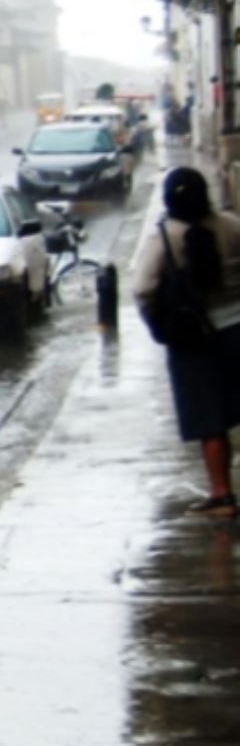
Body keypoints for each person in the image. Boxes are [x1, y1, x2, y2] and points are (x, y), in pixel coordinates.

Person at [132, 167, 240, 517]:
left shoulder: (164, 237)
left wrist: (159, 326)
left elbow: (142, 289)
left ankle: (221, 494)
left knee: (210, 419)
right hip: (236, 330)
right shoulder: (230, 226)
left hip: (193, 340)